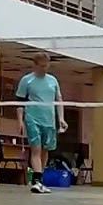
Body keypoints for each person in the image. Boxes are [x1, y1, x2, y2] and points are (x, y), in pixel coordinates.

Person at [16, 53, 66, 194]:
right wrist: (20, 121)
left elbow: (59, 100)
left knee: (45, 150)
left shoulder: (53, 81)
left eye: (46, 65)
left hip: (49, 120)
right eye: (42, 66)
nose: (44, 68)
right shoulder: (27, 80)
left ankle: (40, 179)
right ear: (35, 65)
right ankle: (36, 181)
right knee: (36, 149)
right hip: (33, 118)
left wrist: (61, 118)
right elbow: (19, 102)